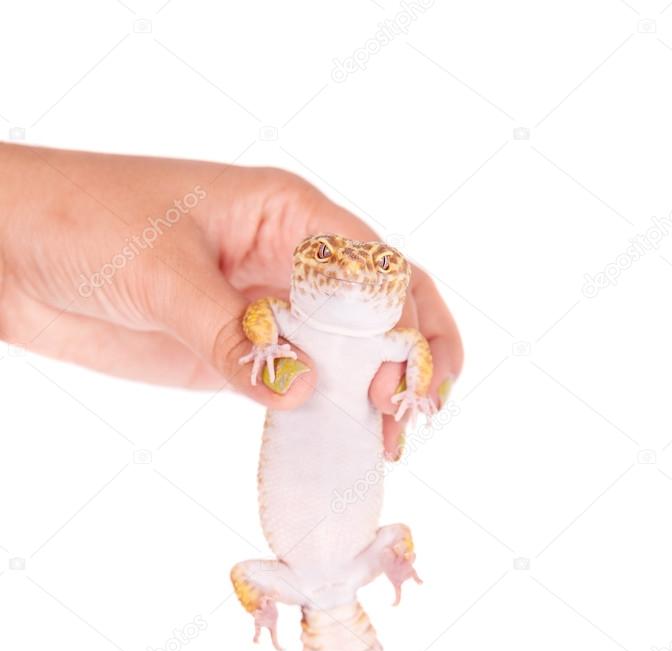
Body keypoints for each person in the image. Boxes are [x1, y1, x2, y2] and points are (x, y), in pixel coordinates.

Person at [0, 144, 462, 459]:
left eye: (380, 267)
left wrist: (418, 391)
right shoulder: (290, 318)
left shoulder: (396, 341)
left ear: (393, 282)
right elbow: (259, 314)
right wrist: (254, 345)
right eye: (323, 253)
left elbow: (418, 351)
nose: (350, 270)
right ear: (302, 264)